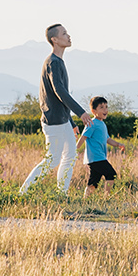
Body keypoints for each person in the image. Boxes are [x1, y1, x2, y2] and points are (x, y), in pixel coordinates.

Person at [19, 23, 88, 194]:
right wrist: (81, 113)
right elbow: (59, 91)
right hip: (54, 121)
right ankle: (23, 193)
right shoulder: (53, 62)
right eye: (64, 33)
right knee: (52, 159)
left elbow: (60, 97)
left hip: (63, 120)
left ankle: (61, 194)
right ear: (54, 40)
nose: (68, 36)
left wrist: (71, 122)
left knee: (69, 156)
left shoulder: (58, 61)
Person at [76, 96, 126, 196]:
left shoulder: (102, 124)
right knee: (111, 174)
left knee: (93, 182)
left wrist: (118, 144)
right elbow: (83, 137)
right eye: (101, 107)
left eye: (106, 107)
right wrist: (75, 150)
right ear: (94, 111)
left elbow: (107, 139)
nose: (105, 110)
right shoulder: (92, 123)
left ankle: (86, 199)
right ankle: (106, 197)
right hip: (96, 157)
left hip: (98, 157)